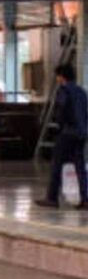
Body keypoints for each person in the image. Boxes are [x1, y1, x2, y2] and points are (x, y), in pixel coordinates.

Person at [36, 64, 88, 209]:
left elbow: (61, 111)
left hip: (67, 133)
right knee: (80, 167)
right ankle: (85, 198)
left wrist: (58, 127)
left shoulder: (63, 90)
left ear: (61, 76)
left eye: (57, 76)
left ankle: (52, 198)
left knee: (56, 165)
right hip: (82, 133)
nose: (57, 79)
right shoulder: (82, 91)